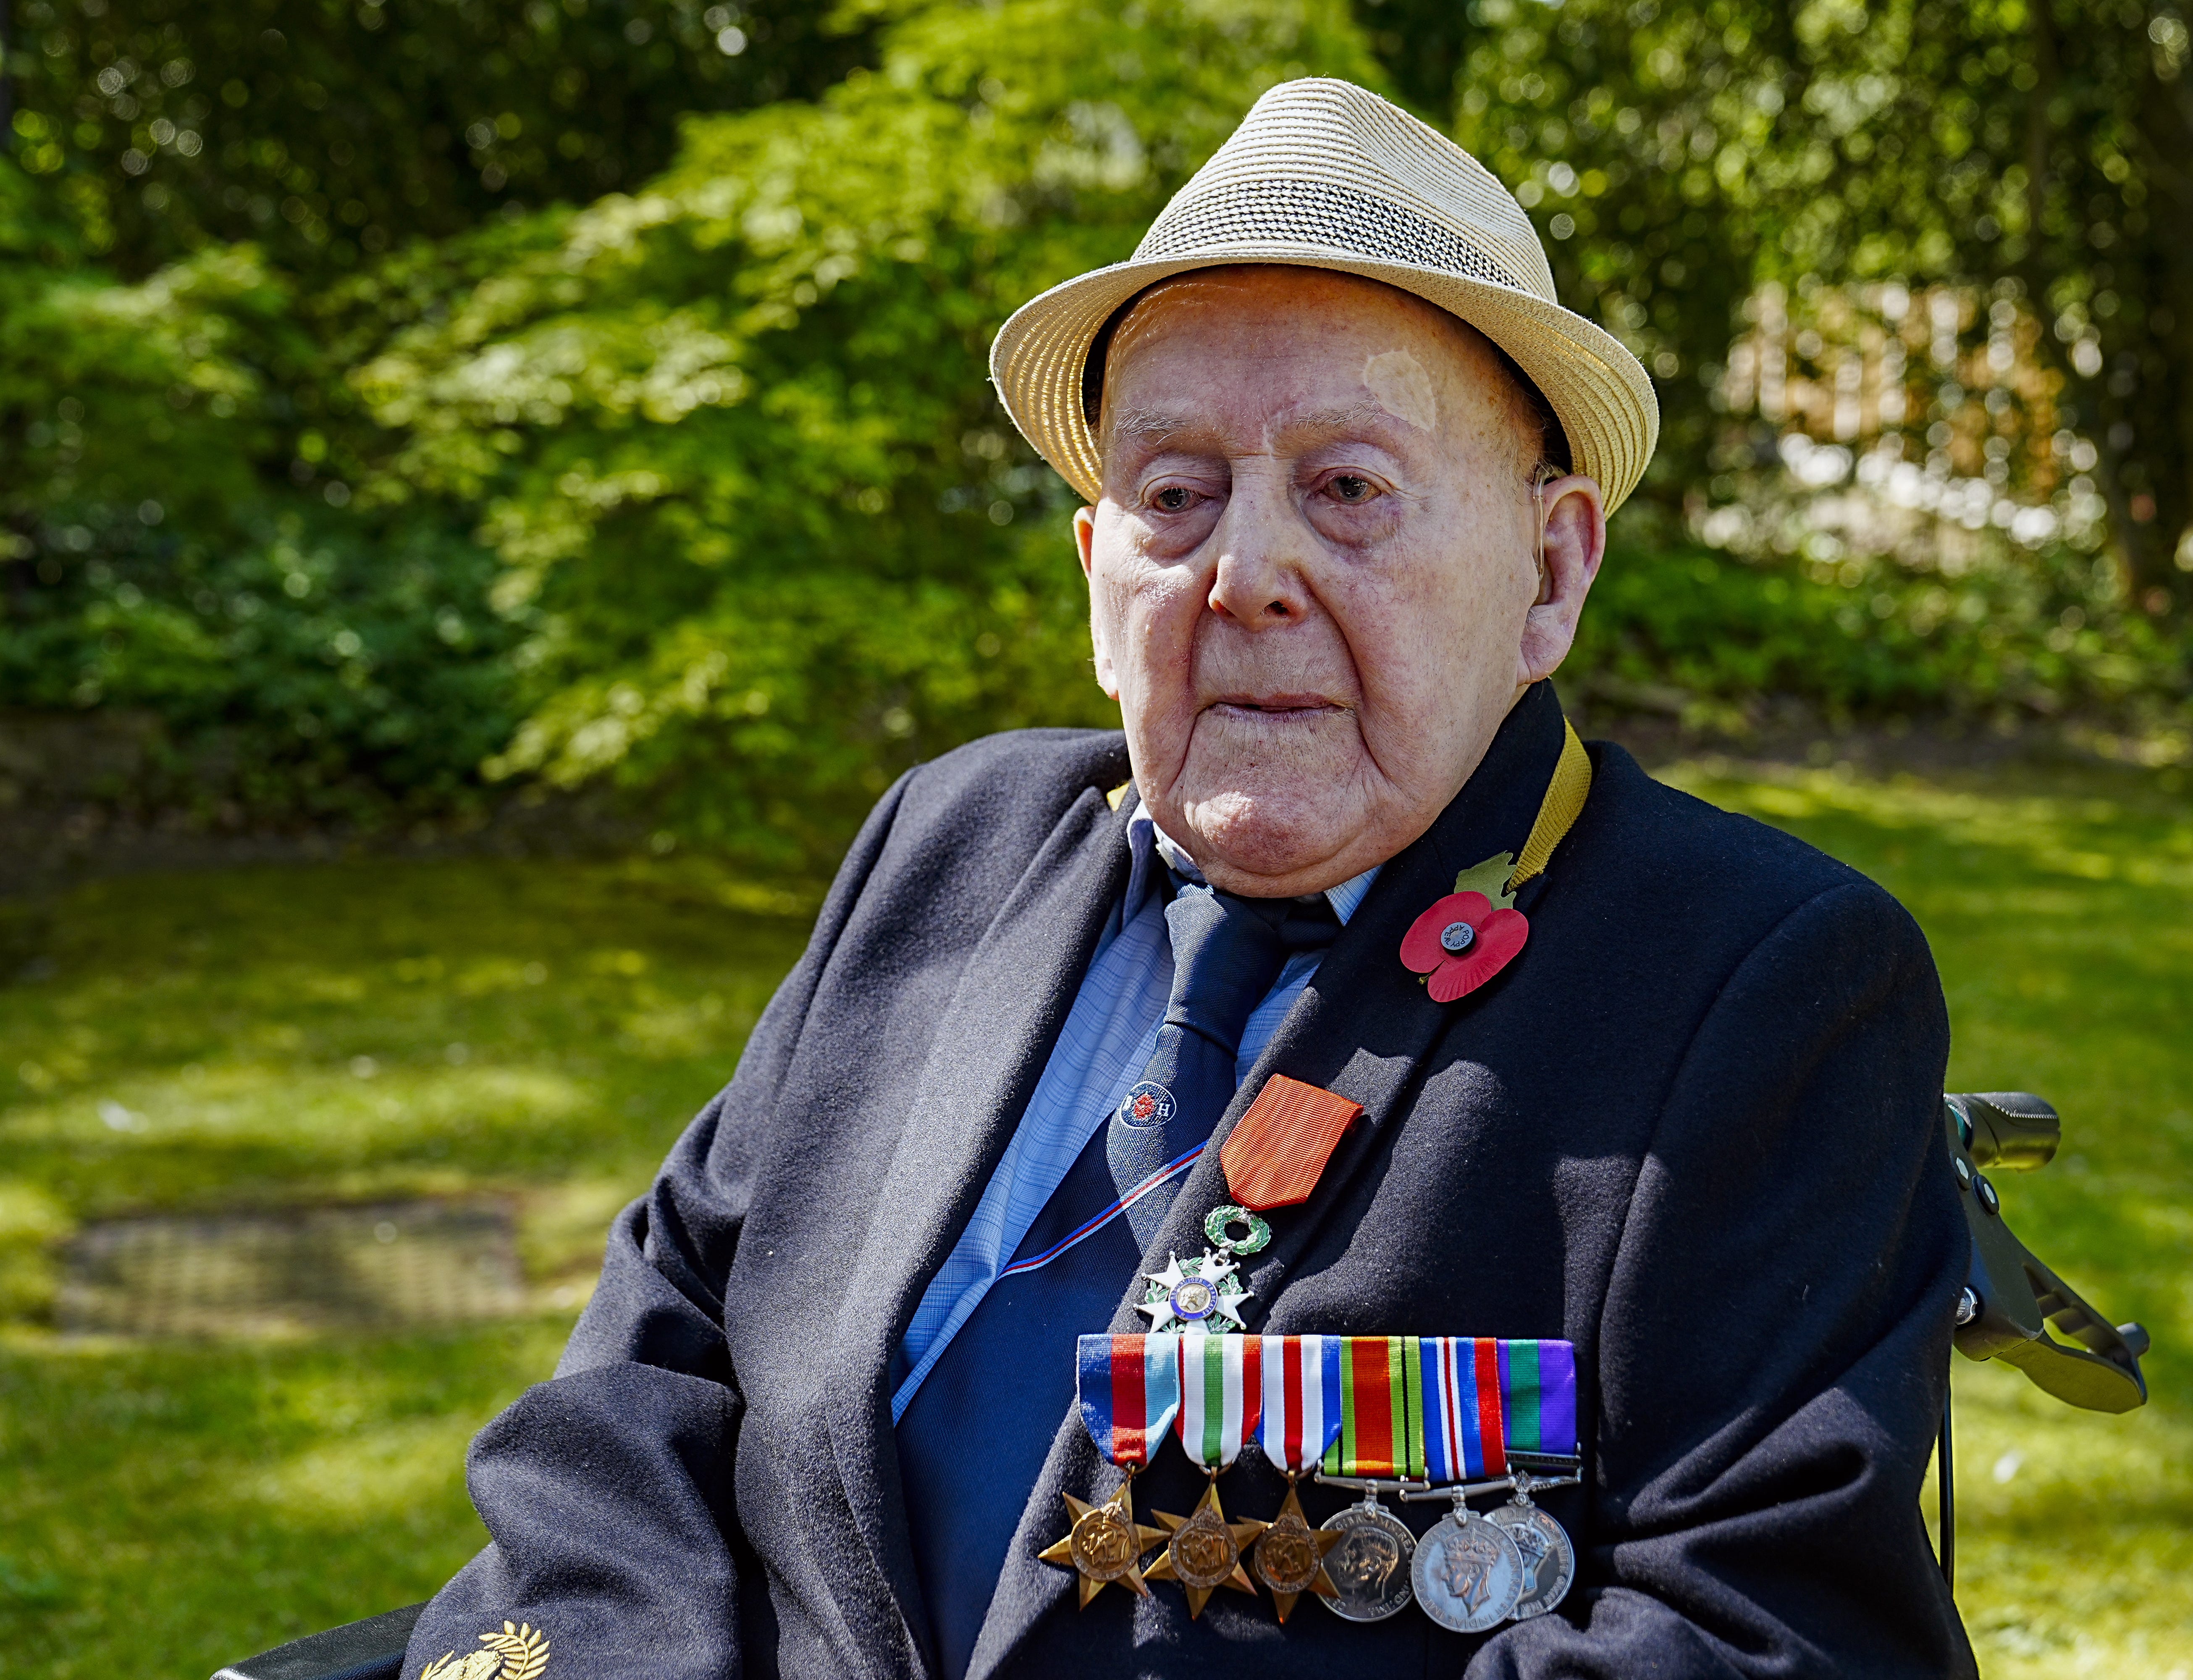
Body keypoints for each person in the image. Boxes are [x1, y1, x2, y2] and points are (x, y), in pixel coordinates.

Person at [403, 77, 1974, 1680]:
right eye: (1176, 494)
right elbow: (659, 1356)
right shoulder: (950, 843)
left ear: (1550, 570)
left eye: (1349, 488)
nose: (1246, 575)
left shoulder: (1750, 977)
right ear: (1101, 575)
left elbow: (1762, 1636)